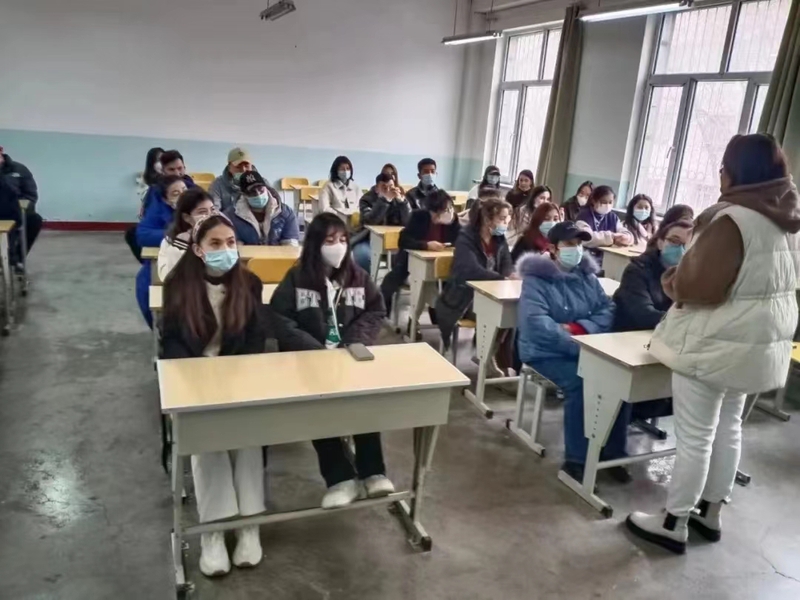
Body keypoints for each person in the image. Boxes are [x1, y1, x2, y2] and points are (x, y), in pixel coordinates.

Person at [627, 133, 800, 554]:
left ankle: (674, 521)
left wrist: (672, 279)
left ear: (737, 171)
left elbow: (697, 286)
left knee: (695, 436)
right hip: (756, 344)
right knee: (729, 426)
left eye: (723, 167)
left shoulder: (731, 220)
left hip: (714, 342)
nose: (720, 174)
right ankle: (711, 512)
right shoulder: (787, 220)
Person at [161, 213, 268, 577]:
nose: (226, 249)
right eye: (216, 244)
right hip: (196, 379)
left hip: (240, 377)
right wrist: (198, 381)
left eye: (231, 242)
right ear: (198, 249)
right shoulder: (178, 285)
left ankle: (249, 525)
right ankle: (213, 531)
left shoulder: (249, 283)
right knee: (208, 442)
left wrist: (238, 378)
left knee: (250, 438)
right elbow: (171, 343)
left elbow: (256, 338)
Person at [270, 213, 392, 509]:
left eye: (342, 239)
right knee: (318, 412)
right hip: (310, 362)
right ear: (315, 244)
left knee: (364, 404)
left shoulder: (357, 276)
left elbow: (375, 310)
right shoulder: (297, 278)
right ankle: (340, 478)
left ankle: (373, 471)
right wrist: (313, 349)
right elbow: (279, 317)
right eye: (329, 240)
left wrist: (354, 341)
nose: (338, 246)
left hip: (349, 356)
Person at [516, 221, 630, 482]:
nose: (576, 249)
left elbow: (607, 310)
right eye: (569, 244)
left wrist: (579, 328)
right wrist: (580, 342)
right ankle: (577, 460)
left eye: (579, 243)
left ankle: (612, 454)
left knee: (619, 380)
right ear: (553, 248)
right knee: (581, 383)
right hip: (545, 353)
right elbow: (537, 324)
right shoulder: (535, 280)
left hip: (587, 349)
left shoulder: (587, 277)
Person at [435, 198, 516, 373]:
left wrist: (510, 275)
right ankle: (485, 356)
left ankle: (488, 354)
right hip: (463, 296)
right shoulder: (466, 237)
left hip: (491, 293)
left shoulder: (498, 238)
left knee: (511, 312)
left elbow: (507, 263)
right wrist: (502, 278)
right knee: (496, 313)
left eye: (507, 219)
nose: (506, 223)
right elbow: (471, 270)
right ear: (487, 219)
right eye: (502, 219)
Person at [380, 190, 460, 314]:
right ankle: (383, 313)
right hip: (410, 261)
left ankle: (441, 315)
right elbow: (403, 240)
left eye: (449, 209)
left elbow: (459, 242)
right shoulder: (419, 216)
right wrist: (426, 245)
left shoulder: (453, 221)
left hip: (441, 264)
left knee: (452, 287)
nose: (447, 212)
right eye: (441, 211)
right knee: (390, 282)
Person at [613, 218, 693, 332]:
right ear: (660, 243)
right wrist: (684, 322)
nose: (681, 249)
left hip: (667, 332)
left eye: (688, 245)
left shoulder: (691, 275)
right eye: (674, 241)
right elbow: (644, 315)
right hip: (632, 333)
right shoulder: (637, 271)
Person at [135, 175, 188, 327]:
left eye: (184, 190)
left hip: (198, 263)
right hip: (168, 263)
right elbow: (143, 234)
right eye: (175, 193)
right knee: (146, 285)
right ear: (166, 200)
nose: (183, 195)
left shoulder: (202, 204)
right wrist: (175, 235)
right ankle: (160, 330)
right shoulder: (159, 210)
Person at [350, 172, 411, 272]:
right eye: (384, 187)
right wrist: (385, 200)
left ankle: (390, 279)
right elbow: (370, 220)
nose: (388, 190)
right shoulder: (366, 199)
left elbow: (408, 222)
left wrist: (402, 203)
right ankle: (370, 279)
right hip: (367, 238)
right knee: (363, 255)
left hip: (394, 241)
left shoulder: (399, 199)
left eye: (391, 186)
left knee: (406, 258)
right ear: (377, 188)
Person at [224, 171, 299, 246]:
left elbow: (290, 245)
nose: (258, 194)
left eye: (261, 189)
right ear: (244, 195)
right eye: (252, 192)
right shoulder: (231, 216)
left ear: (266, 188)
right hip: (247, 253)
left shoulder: (286, 213)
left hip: (278, 253)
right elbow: (233, 246)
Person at [157, 188, 215, 281]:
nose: (210, 216)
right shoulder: (170, 241)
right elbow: (167, 277)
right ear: (187, 217)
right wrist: (179, 247)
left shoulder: (222, 237)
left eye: (212, 210)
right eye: (202, 212)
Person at [0, 146, 44, 262]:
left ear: (1, 150)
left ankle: (17, 258)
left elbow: (30, 195)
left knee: (34, 220)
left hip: (14, 209)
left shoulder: (19, 169)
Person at [208, 147, 282, 213]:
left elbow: (275, 205)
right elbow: (214, 212)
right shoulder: (218, 184)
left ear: (251, 165)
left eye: (247, 166)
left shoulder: (263, 183)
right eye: (238, 167)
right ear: (229, 166)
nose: (243, 170)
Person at [575, 185, 633, 264]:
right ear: (594, 201)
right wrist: (611, 237)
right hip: (586, 258)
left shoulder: (612, 217)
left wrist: (626, 237)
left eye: (610, 202)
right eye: (603, 202)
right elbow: (586, 238)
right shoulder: (584, 215)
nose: (607, 205)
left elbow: (623, 231)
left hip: (607, 258)